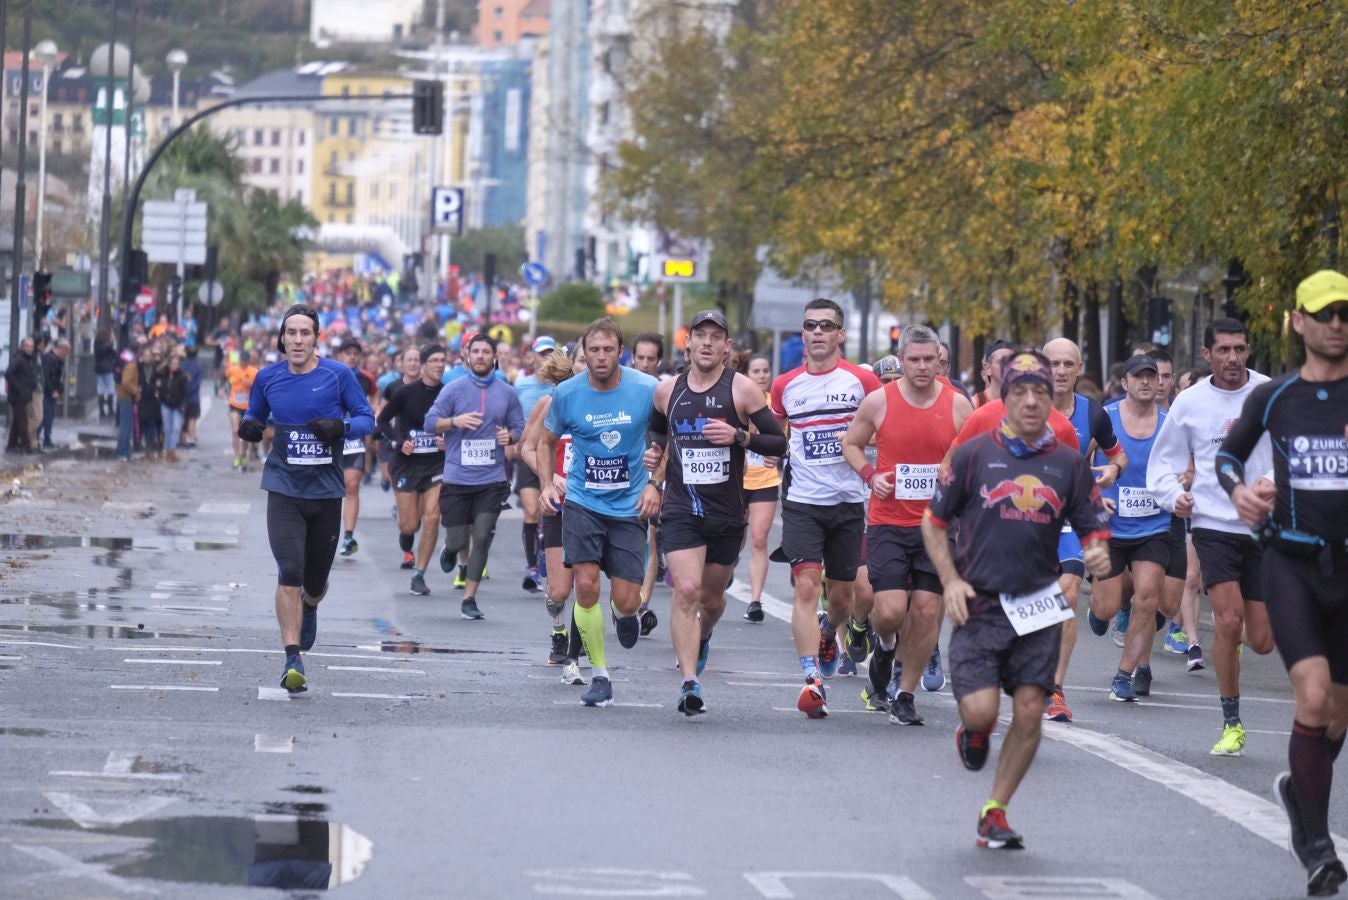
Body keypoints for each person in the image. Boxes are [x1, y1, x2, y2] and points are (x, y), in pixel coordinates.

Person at [922, 349, 1111, 849]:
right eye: (1020, 392)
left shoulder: (1068, 462)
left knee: (1030, 708)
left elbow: (1091, 524)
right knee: (983, 712)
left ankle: (996, 809)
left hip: (1038, 604)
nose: (1031, 401)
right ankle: (975, 732)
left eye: (1040, 392)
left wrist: (1096, 553)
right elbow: (933, 521)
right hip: (980, 602)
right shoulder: (974, 455)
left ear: (1052, 399)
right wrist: (950, 580)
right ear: (1003, 398)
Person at [1217, 269, 1348, 897]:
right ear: (1298, 321)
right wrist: (1239, 492)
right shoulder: (1276, 398)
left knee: (1336, 714)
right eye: (1324, 313)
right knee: (1313, 694)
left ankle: (1300, 792)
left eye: (1346, 314)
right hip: (1291, 563)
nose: (1336, 324)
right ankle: (1317, 847)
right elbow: (1227, 456)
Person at [646, 310, 786, 714]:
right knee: (686, 590)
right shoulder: (667, 391)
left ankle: (703, 636)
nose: (707, 343)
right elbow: (656, 431)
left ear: (727, 346)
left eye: (715, 337)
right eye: (699, 335)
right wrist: (653, 458)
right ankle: (689, 682)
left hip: (726, 512)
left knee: (711, 599)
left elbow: (778, 443)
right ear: (687, 343)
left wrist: (740, 436)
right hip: (681, 508)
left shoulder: (742, 391)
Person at [1147, 317, 1274, 756]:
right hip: (1213, 524)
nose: (1233, 358)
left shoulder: (1268, 393)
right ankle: (1231, 719)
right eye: (1223, 350)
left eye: (1239, 349)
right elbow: (1162, 463)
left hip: (1262, 525)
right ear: (1206, 355)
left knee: (1261, 640)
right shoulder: (1190, 402)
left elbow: (1292, 450)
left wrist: (1273, 482)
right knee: (1228, 619)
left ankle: (1232, 656)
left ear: (1248, 350)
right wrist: (1173, 497)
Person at [236, 304, 375, 692]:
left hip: (325, 492)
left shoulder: (337, 375)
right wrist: (250, 427)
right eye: (291, 333)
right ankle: (292, 657)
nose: (297, 340)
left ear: (316, 338)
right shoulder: (268, 378)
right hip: (283, 488)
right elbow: (255, 415)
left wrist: (340, 427)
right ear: (282, 338)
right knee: (289, 571)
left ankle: (310, 605)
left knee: (314, 582)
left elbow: (367, 419)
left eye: (305, 333)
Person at [844, 325, 973, 723]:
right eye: (913, 360)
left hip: (936, 529)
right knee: (888, 611)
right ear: (901, 362)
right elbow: (851, 443)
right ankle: (883, 647)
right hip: (889, 523)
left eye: (928, 360)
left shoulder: (957, 406)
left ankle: (905, 693)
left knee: (926, 610)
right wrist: (871, 476)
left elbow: (973, 460)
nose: (921, 367)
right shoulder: (879, 401)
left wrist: (952, 476)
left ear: (940, 361)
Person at [537, 318, 660, 708]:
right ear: (583, 354)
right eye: (594, 350)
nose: (601, 357)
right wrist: (546, 482)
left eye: (609, 349)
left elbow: (671, 433)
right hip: (582, 502)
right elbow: (545, 441)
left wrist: (656, 481)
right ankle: (600, 675)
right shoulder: (567, 393)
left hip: (628, 506)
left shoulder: (646, 388)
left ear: (620, 352)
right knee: (585, 585)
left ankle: (623, 613)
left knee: (627, 601)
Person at [769, 298, 881, 718]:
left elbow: (883, 429)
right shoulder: (785, 385)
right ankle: (810, 677)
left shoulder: (862, 381)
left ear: (840, 334)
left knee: (842, 597)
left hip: (850, 500)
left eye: (825, 325)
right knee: (804, 587)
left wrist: (869, 455)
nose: (816, 332)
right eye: (810, 326)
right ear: (803, 333)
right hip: (802, 501)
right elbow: (777, 431)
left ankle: (828, 631)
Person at [1040, 337, 1127, 722]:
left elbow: (1117, 454)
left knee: (1069, 596)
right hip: (1025, 519)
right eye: (1053, 364)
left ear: (1078, 369)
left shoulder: (1093, 415)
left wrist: (1112, 471)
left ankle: (1054, 690)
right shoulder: (1021, 407)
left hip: (1071, 519)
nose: (1060, 371)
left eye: (1067, 365)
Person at [1084, 355, 1173, 701]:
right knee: (1105, 608)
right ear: (1125, 383)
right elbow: (1080, 461)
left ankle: (1125, 673)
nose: (1147, 382)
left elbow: (1189, 469)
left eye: (1152, 376)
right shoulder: (1104, 418)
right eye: (1139, 377)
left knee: (1148, 597)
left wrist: (1180, 480)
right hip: (1110, 524)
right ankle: (1101, 610)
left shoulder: (1169, 422)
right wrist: (1090, 495)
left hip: (1154, 524)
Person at [424, 334, 525, 619]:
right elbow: (430, 422)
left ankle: (469, 598)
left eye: (485, 351)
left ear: (494, 357)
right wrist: (455, 421)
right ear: (467, 356)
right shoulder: (453, 390)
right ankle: (450, 549)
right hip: (457, 478)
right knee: (458, 541)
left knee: (482, 537)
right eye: (475, 351)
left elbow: (519, 424)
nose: (480, 356)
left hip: (491, 481)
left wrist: (511, 435)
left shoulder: (507, 392)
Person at [520, 347, 589, 681]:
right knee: (560, 590)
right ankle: (558, 626)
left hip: (594, 505)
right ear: (571, 364)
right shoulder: (551, 403)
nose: (590, 366)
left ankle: (573, 649)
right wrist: (550, 479)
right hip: (559, 503)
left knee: (586, 580)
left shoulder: (613, 406)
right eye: (583, 360)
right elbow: (527, 448)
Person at [377, 345, 448, 595]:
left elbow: (458, 424)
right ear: (424, 365)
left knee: (432, 517)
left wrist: (446, 439)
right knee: (409, 525)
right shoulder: (405, 393)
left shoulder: (448, 393)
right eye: (435, 361)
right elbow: (382, 420)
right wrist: (398, 441)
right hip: (406, 464)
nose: (440, 365)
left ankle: (419, 574)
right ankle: (406, 537)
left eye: (443, 361)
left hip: (435, 464)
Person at [737, 351, 782, 623]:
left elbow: (784, 439)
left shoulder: (774, 407)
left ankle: (755, 600)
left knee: (759, 539)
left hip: (765, 480)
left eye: (766, 370)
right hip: (735, 481)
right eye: (757, 371)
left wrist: (778, 452)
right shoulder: (737, 400)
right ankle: (724, 570)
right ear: (746, 375)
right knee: (734, 540)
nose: (763, 376)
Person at [512, 335, 559, 594]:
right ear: (532, 357)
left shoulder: (563, 388)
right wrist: (515, 444)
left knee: (548, 513)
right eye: (542, 354)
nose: (546, 359)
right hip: (529, 457)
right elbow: (523, 425)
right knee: (531, 511)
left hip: (556, 459)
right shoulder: (521, 386)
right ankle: (532, 567)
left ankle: (545, 551)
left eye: (551, 353)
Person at [631, 331, 665, 633]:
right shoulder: (622, 387)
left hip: (657, 476)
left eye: (650, 359)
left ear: (659, 361)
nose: (644, 364)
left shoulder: (665, 392)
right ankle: (626, 601)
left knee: (652, 542)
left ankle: (641, 604)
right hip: (625, 476)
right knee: (629, 543)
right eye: (639, 358)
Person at [336, 339, 377, 556]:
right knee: (333, 490)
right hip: (332, 440)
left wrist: (374, 410)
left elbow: (375, 396)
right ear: (340, 355)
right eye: (347, 353)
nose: (352, 357)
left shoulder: (366, 378)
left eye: (355, 353)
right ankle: (328, 534)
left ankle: (349, 536)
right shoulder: (330, 374)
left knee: (352, 486)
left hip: (354, 440)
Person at [4, 336, 37, 453]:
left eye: (31, 346)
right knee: (23, 422)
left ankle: (11, 445)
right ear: (23, 347)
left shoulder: (27, 358)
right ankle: (26, 447)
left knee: (17, 423)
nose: (30, 349)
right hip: (18, 396)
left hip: (23, 395)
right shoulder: (19, 358)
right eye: (27, 346)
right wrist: (19, 389)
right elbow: (8, 373)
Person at [227, 350, 260, 469]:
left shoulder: (253, 372)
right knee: (235, 431)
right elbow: (226, 380)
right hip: (234, 404)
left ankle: (243, 455)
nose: (244, 362)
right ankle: (236, 457)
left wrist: (249, 385)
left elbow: (258, 390)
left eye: (246, 361)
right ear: (240, 359)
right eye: (242, 360)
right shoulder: (232, 369)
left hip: (247, 407)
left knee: (245, 433)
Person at [156, 353, 190, 463]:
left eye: (177, 364)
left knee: (175, 428)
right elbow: (157, 371)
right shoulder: (163, 374)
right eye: (173, 363)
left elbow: (185, 393)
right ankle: (167, 450)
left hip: (177, 406)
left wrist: (183, 405)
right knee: (167, 428)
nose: (175, 366)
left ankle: (172, 450)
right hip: (166, 405)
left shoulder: (182, 376)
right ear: (169, 364)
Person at [39, 340, 69, 449]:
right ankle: (42, 439)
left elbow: (58, 378)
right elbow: (46, 377)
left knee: (48, 417)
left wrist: (59, 390)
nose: (66, 354)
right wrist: (52, 391)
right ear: (61, 349)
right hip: (48, 393)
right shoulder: (50, 359)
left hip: (52, 393)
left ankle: (44, 439)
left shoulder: (57, 360)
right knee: (46, 417)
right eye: (65, 351)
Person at [115, 346, 140, 461]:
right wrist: (136, 391)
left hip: (122, 396)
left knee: (127, 426)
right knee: (125, 427)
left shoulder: (126, 360)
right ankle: (121, 452)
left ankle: (127, 452)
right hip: (126, 397)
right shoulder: (132, 365)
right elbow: (126, 382)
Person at [180, 347, 204, 449]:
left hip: (181, 396)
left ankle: (182, 438)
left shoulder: (181, 365)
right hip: (194, 397)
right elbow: (197, 383)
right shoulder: (198, 367)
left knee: (182, 417)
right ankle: (191, 438)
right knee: (192, 418)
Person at [94, 328, 118, 421]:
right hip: (108, 368)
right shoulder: (109, 345)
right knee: (110, 388)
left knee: (101, 388)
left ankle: (101, 411)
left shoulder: (96, 345)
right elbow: (114, 354)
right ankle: (110, 410)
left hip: (99, 369)